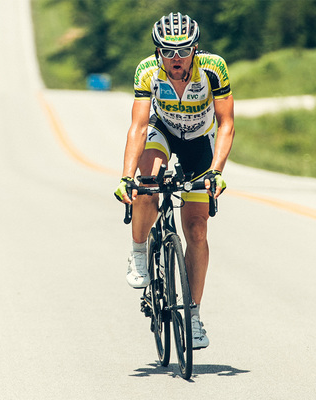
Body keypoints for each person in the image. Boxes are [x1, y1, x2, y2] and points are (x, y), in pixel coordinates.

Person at [114, 12, 235, 349]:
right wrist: (126, 176)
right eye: (168, 51)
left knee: (196, 230)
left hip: (200, 140)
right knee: (147, 181)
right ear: (158, 52)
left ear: (195, 49)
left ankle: (193, 317)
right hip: (162, 131)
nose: (176, 59)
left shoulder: (214, 68)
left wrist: (217, 171)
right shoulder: (147, 71)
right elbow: (138, 127)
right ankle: (139, 252)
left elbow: (226, 124)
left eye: (183, 52)